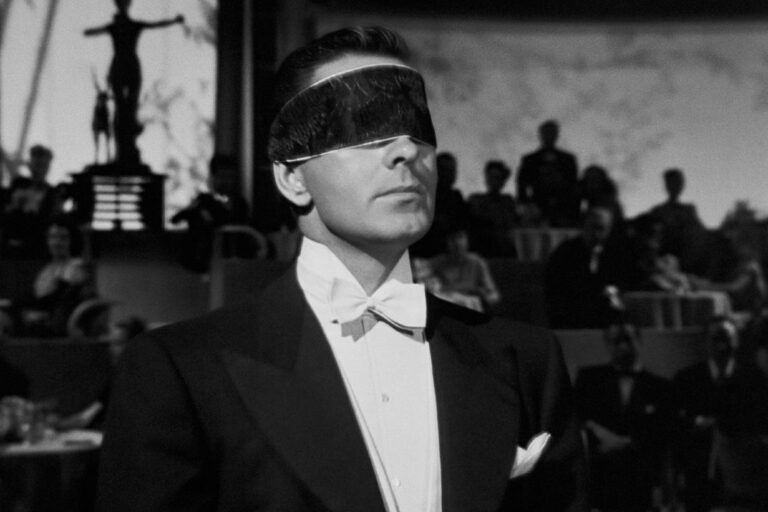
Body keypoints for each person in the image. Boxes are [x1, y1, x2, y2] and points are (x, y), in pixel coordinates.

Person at [97, 26, 587, 511]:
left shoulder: (525, 362)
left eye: (419, 129)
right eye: (368, 129)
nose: (407, 151)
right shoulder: (183, 372)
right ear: (293, 178)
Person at [574, 318, 673, 512]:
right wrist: (598, 432)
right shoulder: (590, 380)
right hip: (601, 476)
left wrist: (626, 442)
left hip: (642, 477)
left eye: (627, 339)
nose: (622, 347)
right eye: (616, 341)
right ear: (607, 344)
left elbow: (665, 433)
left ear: (639, 340)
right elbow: (574, 416)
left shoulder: (660, 387)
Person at [84, 0, 184, 164]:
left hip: (128, 68)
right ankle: (121, 151)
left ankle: (127, 149)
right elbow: (92, 32)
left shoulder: (127, 26)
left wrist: (173, 21)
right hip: (122, 68)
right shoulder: (118, 26)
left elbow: (155, 25)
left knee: (128, 108)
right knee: (122, 109)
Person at [672, 316, 740, 512]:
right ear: (706, 342)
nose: (721, 346)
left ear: (736, 341)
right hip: (697, 473)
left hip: (740, 472)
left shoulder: (753, 379)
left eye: (726, 339)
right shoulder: (686, 379)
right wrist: (697, 423)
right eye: (715, 339)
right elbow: (674, 423)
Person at [545, 206, 627, 328]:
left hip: (602, 315)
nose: (596, 234)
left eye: (601, 229)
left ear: (609, 230)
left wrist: (613, 291)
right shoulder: (565, 253)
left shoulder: (613, 254)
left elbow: (620, 282)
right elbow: (556, 288)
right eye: (592, 227)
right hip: (571, 314)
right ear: (583, 227)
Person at [516, 120, 580, 227]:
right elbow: (521, 184)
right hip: (537, 205)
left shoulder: (568, 159)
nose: (549, 136)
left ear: (557, 135)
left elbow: (573, 184)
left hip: (563, 207)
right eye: (546, 133)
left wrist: (572, 207)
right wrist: (526, 205)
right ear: (540, 135)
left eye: (552, 133)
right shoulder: (530, 159)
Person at [645, 168, 706, 273]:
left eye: (678, 183)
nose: (675, 186)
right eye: (671, 183)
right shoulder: (657, 211)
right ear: (666, 185)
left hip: (687, 260)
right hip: (663, 259)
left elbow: (700, 234)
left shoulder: (688, 210)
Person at [411, 152, 469, 258]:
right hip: (427, 254)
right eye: (445, 170)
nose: (449, 174)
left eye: (452, 170)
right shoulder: (422, 196)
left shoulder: (456, 197)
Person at [429, 225, 500, 312]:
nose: (457, 243)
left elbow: (494, 295)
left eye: (461, 237)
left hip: (471, 307)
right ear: (447, 242)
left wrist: (483, 298)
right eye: (452, 238)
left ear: (467, 240)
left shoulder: (477, 262)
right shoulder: (437, 263)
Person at [467, 159, 518, 257]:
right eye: (491, 177)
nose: (494, 181)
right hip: (484, 248)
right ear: (486, 178)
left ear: (503, 181)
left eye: (498, 178)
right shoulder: (476, 200)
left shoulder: (508, 202)